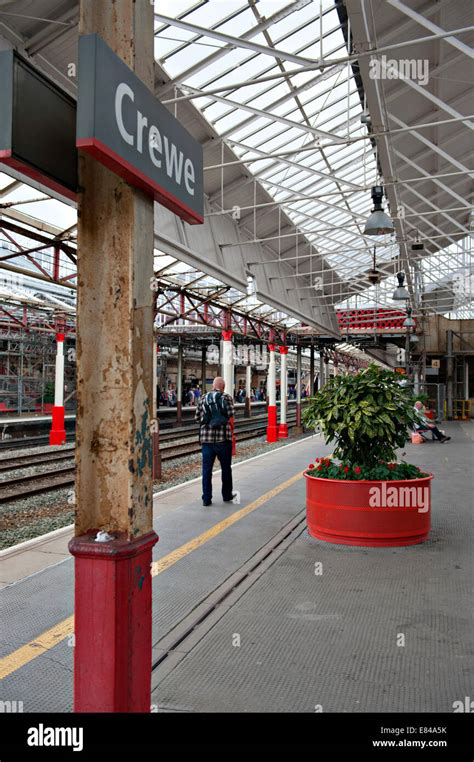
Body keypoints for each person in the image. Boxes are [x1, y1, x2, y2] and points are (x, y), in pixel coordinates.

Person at [195, 376, 236, 506]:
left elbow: (197, 418)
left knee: (206, 471)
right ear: (223, 387)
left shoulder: (203, 398)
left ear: (213, 386)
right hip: (223, 440)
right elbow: (231, 414)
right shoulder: (227, 397)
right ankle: (227, 495)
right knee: (226, 469)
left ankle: (206, 499)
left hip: (207, 441)